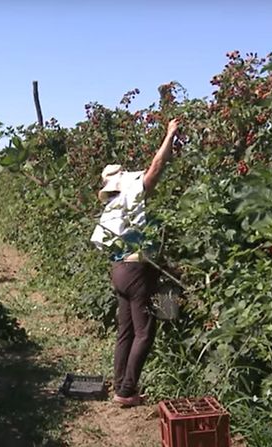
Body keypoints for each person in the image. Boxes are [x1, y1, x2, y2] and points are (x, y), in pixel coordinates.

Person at [90, 118, 180, 406]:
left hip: (118, 271)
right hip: (136, 270)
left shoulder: (111, 208)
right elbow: (156, 167)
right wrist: (170, 135)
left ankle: (121, 387)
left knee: (125, 331)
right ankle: (127, 392)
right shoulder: (132, 195)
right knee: (145, 332)